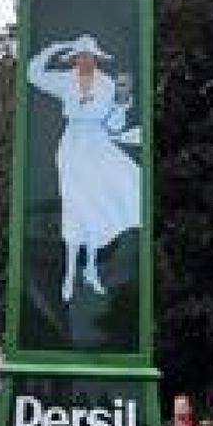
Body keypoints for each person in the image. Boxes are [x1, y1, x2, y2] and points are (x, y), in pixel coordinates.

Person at [28, 33, 141, 303]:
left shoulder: (109, 84)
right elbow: (33, 74)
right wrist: (55, 48)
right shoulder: (65, 80)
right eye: (79, 56)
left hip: (98, 142)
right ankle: (69, 274)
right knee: (75, 205)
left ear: (96, 58)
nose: (84, 61)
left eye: (88, 56)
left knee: (99, 202)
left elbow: (114, 123)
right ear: (75, 59)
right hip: (74, 144)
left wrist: (122, 106)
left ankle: (90, 268)